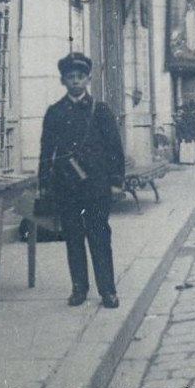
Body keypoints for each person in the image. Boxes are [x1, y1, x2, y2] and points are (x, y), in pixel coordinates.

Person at [38, 53, 125, 309]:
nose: (75, 82)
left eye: (80, 77)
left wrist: (116, 181)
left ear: (88, 79)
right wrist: (43, 182)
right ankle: (79, 288)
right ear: (63, 81)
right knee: (73, 237)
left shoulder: (100, 110)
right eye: (70, 77)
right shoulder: (54, 112)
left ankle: (108, 291)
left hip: (96, 186)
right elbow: (46, 150)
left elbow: (114, 148)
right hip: (67, 187)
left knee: (99, 236)